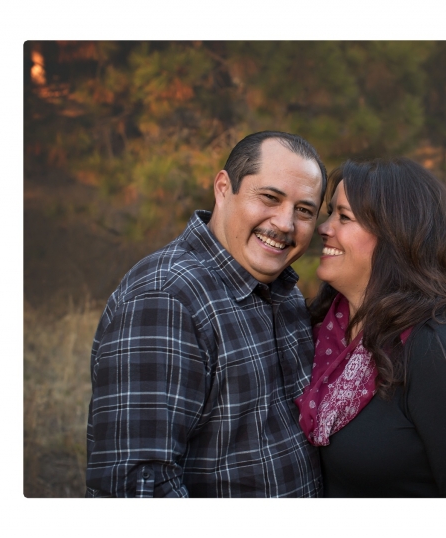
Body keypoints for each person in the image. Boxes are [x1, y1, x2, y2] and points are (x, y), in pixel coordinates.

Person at [86, 131, 326, 497]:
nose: (285, 223)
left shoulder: (286, 295)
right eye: (269, 198)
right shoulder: (167, 299)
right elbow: (138, 487)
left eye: (304, 210)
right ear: (222, 188)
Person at [295, 158, 446, 497]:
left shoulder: (440, 348)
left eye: (344, 217)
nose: (324, 227)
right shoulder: (322, 329)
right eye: (330, 212)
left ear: (396, 237)